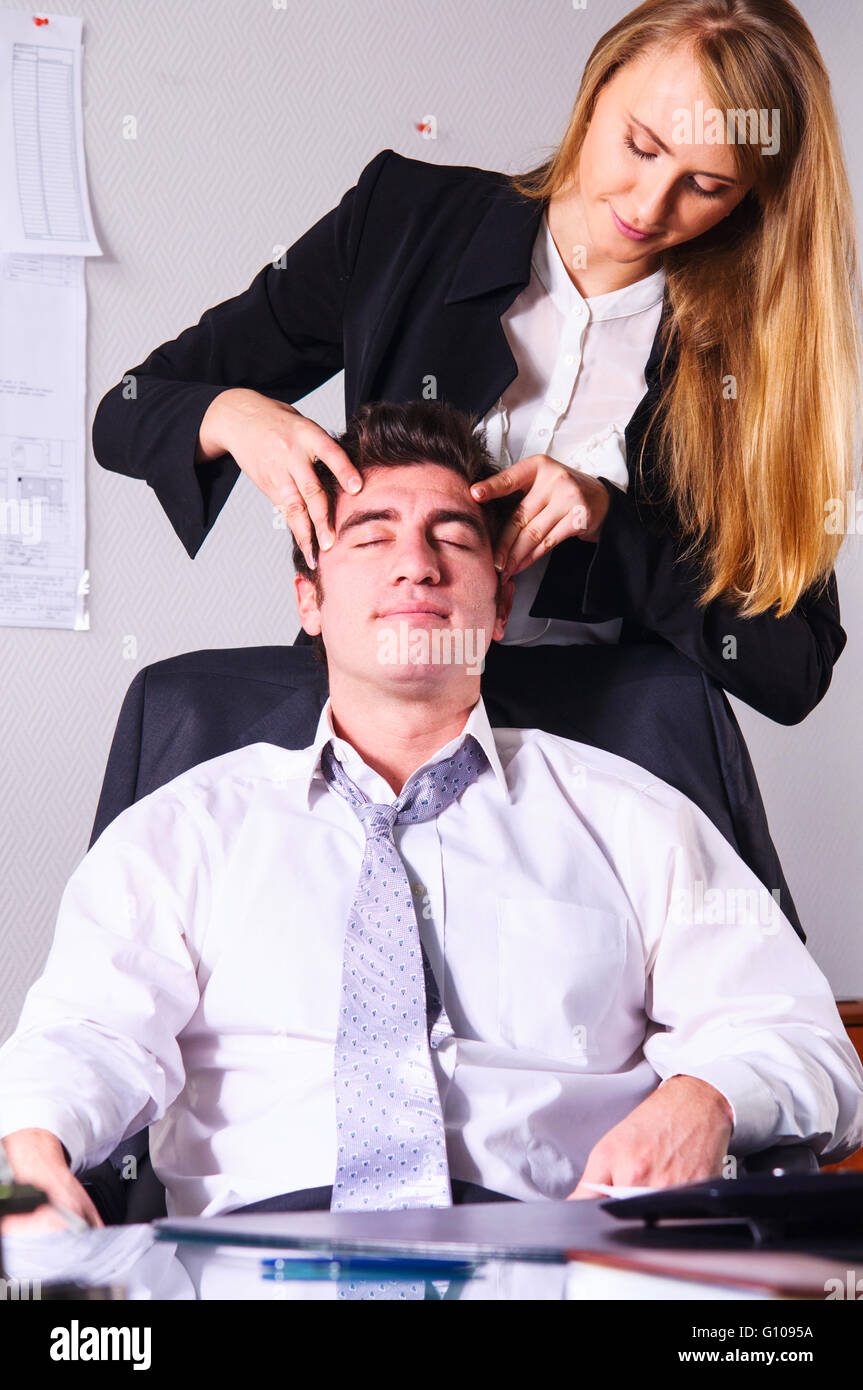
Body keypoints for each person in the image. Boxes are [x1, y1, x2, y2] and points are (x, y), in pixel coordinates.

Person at [89, 1, 862, 939]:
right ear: (597, 85)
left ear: (752, 198)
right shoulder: (405, 221)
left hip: (600, 764)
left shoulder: (759, 358)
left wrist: (614, 531)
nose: (650, 205)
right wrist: (232, 414)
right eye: (639, 144)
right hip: (374, 729)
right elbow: (127, 411)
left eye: (706, 184)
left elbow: (793, 668)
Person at [2, 402, 862, 1232]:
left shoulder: (632, 817)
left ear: (498, 603)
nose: (415, 564)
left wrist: (704, 1098)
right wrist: (31, 1149)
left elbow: (803, 1042)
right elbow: (86, 1035)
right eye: (372, 536)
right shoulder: (182, 831)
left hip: (549, 1262)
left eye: (452, 537)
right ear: (309, 600)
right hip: (257, 1267)